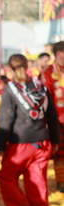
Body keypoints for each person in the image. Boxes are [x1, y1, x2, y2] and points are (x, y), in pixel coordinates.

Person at [0, 54, 58, 206]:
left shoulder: (11, 89)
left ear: (10, 69)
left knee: (6, 177)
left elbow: (5, 121)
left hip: (20, 145)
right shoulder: (41, 86)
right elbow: (52, 116)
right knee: (38, 184)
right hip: (42, 143)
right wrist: (55, 141)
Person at [40, 41, 64, 193]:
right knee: (59, 154)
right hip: (57, 120)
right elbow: (43, 99)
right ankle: (61, 182)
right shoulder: (48, 73)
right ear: (58, 54)